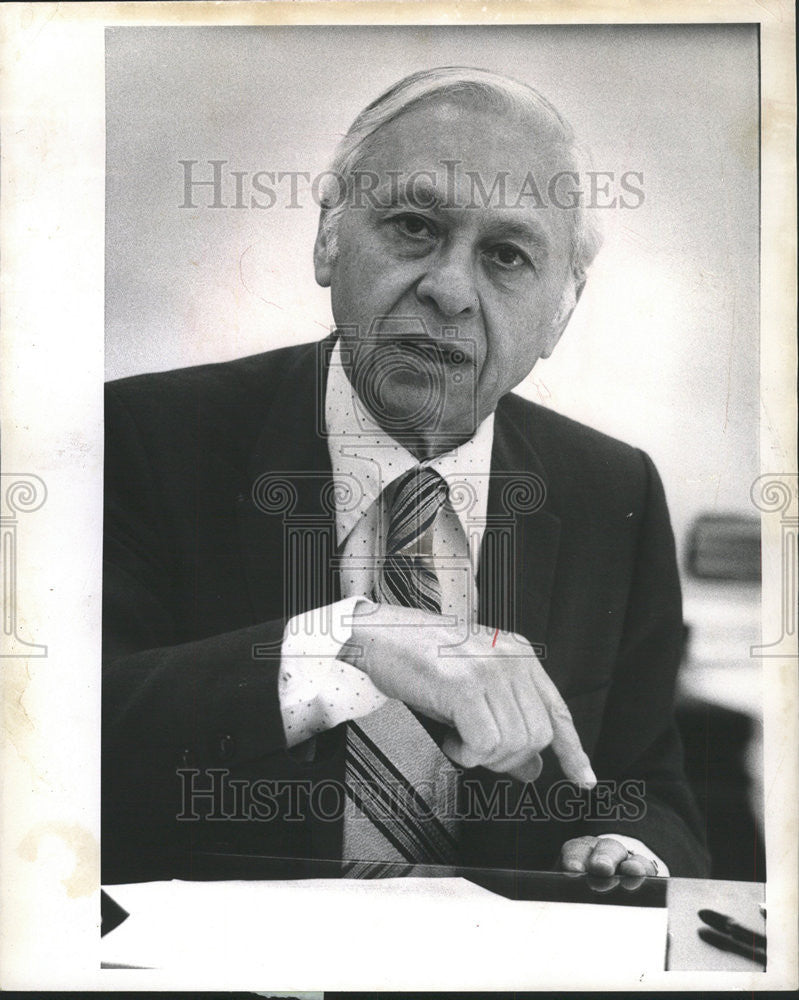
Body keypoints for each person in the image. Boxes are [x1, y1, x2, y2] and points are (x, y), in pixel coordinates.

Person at [102, 67, 709, 884]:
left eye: (506, 254)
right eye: (415, 226)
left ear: (561, 311)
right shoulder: (138, 437)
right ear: (329, 237)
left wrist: (625, 849)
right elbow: (49, 741)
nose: (450, 289)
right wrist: (341, 643)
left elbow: (649, 784)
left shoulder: (615, 491)